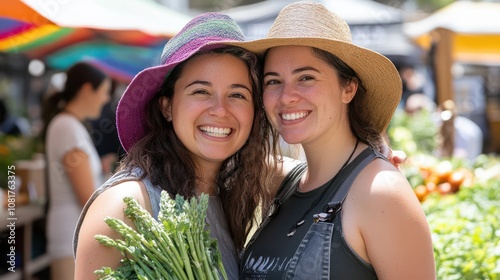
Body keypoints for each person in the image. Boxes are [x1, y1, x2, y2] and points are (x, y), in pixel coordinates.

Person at [229, 1, 436, 279]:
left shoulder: (381, 193)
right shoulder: (282, 182)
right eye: (273, 81)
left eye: (306, 77)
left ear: (348, 88)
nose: (287, 96)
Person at [73, 13, 277, 280]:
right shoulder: (125, 206)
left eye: (237, 94)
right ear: (167, 106)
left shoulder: (226, 198)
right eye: (201, 91)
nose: (220, 110)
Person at [42, 62, 111, 280]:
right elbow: (87, 197)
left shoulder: (69, 125)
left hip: (72, 234)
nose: (106, 99)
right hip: (70, 236)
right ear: (86, 89)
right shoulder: (67, 127)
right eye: (104, 92)